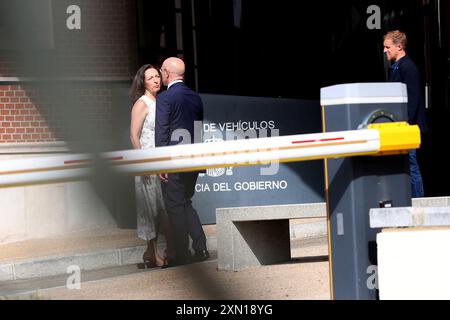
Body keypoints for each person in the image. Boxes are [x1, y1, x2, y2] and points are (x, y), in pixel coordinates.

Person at [155, 57, 209, 265]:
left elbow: (162, 132)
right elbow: (198, 128)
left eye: (161, 71)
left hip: (174, 160)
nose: (161, 75)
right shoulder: (195, 97)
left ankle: (182, 253)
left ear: (167, 73)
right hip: (194, 159)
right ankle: (201, 247)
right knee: (185, 202)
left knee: (175, 207)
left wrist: (160, 162)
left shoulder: (165, 98)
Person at [129, 64, 174, 268]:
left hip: (161, 161)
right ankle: (154, 253)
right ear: (143, 82)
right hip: (147, 162)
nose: (156, 80)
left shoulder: (161, 101)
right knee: (151, 210)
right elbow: (134, 135)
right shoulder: (142, 103)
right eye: (151, 77)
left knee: (162, 209)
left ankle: (151, 252)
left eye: (158, 76)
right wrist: (143, 163)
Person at [383, 30, 426, 198]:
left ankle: (418, 203)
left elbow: (413, 101)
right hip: (402, 128)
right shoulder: (397, 67)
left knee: (411, 166)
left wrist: (403, 125)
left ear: (399, 46)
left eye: (388, 47)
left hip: (408, 128)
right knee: (406, 166)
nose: (385, 50)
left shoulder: (408, 67)